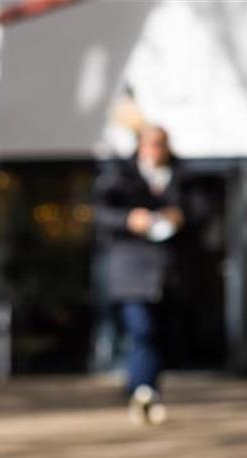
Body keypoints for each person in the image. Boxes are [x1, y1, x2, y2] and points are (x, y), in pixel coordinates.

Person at [95, 125, 187, 425]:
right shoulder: (120, 176)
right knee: (140, 330)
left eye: (161, 144)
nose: (156, 150)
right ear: (140, 147)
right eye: (151, 144)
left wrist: (180, 215)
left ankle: (147, 390)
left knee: (156, 335)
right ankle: (142, 389)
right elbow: (99, 213)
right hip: (130, 272)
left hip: (165, 274)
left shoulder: (181, 175)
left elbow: (201, 211)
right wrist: (128, 219)